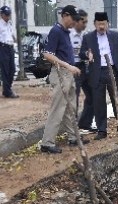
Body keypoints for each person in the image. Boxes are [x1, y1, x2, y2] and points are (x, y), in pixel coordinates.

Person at [40, 5, 89, 154]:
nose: (74, 23)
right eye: (73, 19)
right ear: (65, 15)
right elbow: (47, 55)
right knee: (58, 108)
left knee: (71, 108)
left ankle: (73, 137)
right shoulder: (56, 31)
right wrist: (68, 66)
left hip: (68, 74)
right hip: (61, 73)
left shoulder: (65, 32)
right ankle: (47, 143)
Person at [80, 12, 118, 140]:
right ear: (95, 24)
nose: (101, 26)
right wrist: (87, 54)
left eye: (104, 24)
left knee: (117, 99)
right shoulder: (88, 37)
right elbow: (81, 52)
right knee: (98, 102)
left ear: (108, 24)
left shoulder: (115, 35)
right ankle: (102, 130)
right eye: (99, 24)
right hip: (97, 72)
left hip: (113, 70)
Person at [70, 9, 96, 134]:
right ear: (76, 20)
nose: (85, 24)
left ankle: (85, 124)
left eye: (86, 22)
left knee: (92, 95)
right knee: (73, 98)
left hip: (85, 67)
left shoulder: (86, 35)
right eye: (83, 21)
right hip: (72, 67)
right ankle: (72, 130)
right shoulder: (68, 35)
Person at [0, 6, 18, 98]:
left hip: (11, 47)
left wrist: (15, 41)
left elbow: (12, 36)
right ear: (1, 14)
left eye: (9, 15)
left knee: (12, 69)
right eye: (6, 15)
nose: (8, 17)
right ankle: (7, 91)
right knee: (5, 70)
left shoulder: (10, 24)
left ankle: (7, 89)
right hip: (3, 47)